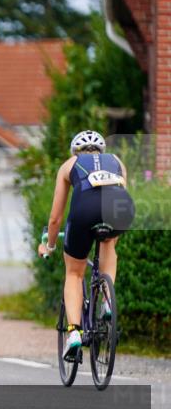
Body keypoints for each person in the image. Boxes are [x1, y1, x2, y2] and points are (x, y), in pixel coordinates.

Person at [38, 130, 135, 357]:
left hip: (84, 211)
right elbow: (123, 199)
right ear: (101, 149)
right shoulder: (117, 162)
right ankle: (108, 301)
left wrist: (49, 246)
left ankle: (73, 333)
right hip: (121, 208)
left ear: (76, 151)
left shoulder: (70, 164)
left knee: (74, 272)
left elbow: (55, 219)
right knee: (109, 244)